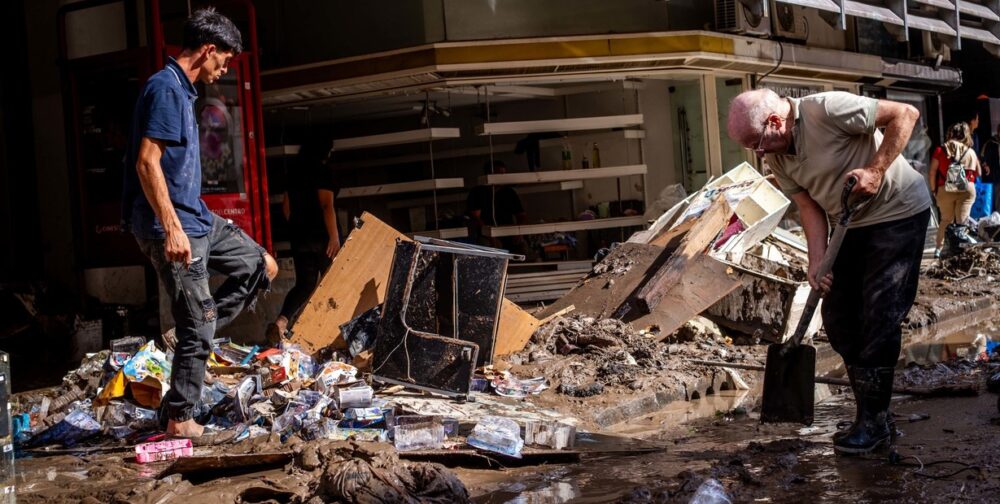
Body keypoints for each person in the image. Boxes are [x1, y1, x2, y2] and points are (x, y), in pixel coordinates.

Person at [728, 89, 931, 455]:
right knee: (838, 318)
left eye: (756, 143)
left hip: (897, 213)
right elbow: (808, 207)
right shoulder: (778, 156)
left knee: (880, 314)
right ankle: (873, 415)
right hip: (848, 225)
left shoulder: (826, 109)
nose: (758, 153)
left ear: (775, 122)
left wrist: (875, 170)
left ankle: (872, 421)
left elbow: (905, 113)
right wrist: (818, 261)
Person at [122, 8, 278, 438]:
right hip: (173, 225)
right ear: (208, 50)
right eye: (224, 59)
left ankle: (192, 326)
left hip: (197, 217)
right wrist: (171, 228)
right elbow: (146, 163)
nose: (225, 67)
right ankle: (179, 419)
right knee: (202, 319)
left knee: (261, 266)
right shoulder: (167, 90)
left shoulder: (182, 90)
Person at [266, 137, 340, 345]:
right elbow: (327, 206)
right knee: (332, 282)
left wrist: (299, 228)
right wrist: (334, 237)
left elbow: (286, 208)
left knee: (305, 284)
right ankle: (327, 333)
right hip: (323, 238)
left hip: (301, 239)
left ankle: (281, 323)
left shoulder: (295, 174)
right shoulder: (323, 172)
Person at [930, 122, 981, 255]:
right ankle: (961, 250)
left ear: (950, 134)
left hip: (945, 188)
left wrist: (933, 189)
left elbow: (932, 172)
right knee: (962, 221)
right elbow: (978, 173)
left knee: (946, 220)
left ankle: (938, 249)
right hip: (967, 189)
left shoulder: (940, 150)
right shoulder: (971, 152)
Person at [466, 160, 527, 252]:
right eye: (499, 174)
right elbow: (476, 218)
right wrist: (490, 236)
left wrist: (519, 232)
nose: (502, 177)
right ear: (489, 174)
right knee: (487, 247)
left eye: (504, 174)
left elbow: (521, 215)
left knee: (523, 248)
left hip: (508, 233)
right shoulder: (477, 192)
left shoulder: (509, 192)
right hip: (484, 235)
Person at [980, 123, 1000, 212]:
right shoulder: (990, 143)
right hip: (995, 177)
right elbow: (982, 157)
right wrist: (985, 165)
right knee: (996, 200)